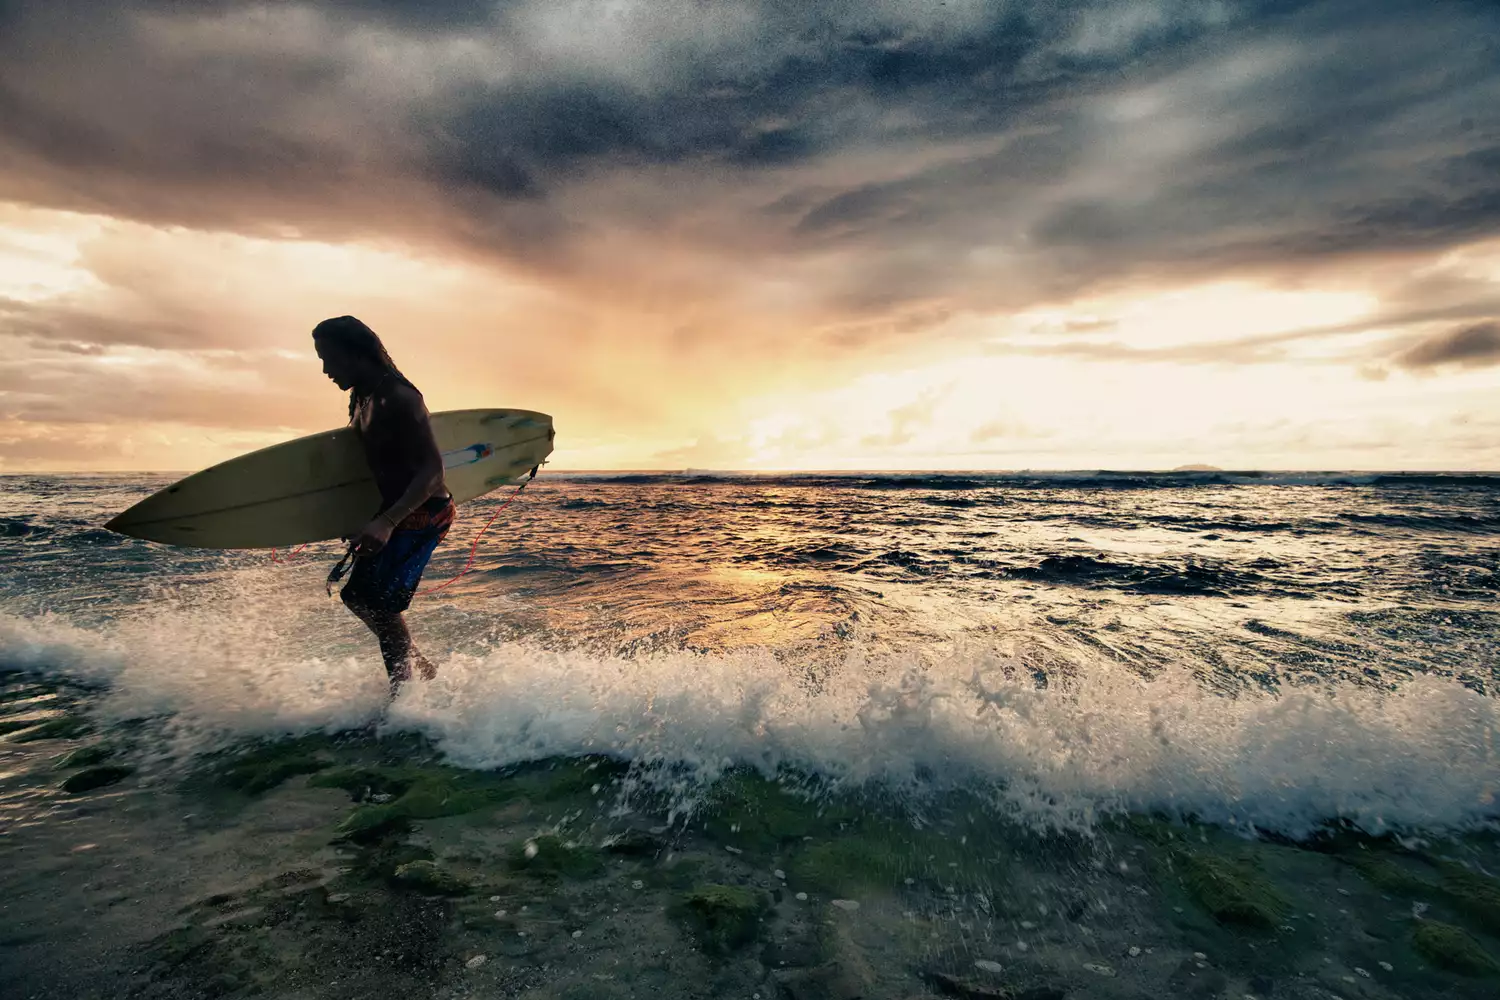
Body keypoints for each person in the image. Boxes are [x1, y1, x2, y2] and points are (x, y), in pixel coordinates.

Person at [312, 315, 454, 695]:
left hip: (422, 512)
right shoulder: (361, 397)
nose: (325, 370)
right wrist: (360, 517)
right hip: (394, 510)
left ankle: (402, 696)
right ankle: (420, 670)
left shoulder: (400, 398)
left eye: (329, 359)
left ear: (357, 354)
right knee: (359, 596)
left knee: (375, 601)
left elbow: (432, 471)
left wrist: (387, 522)